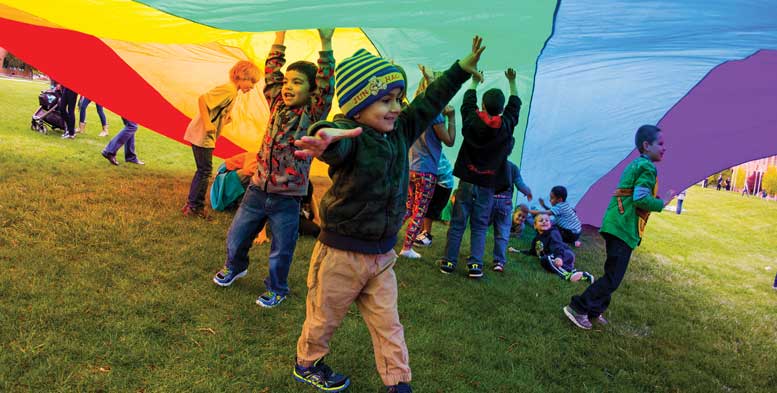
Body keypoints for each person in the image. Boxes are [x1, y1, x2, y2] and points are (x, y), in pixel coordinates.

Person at [289, 36, 485, 393]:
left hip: (381, 256)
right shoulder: (352, 138)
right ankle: (308, 362)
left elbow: (428, 103)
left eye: (397, 98)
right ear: (358, 108)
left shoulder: (401, 132)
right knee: (324, 317)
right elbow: (333, 139)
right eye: (385, 100)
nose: (395, 107)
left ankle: (398, 382)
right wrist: (323, 137)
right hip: (341, 255)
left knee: (389, 324)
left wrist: (459, 72)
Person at [212, 29, 336, 310]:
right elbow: (271, 71)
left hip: (287, 197)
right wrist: (280, 34)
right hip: (257, 189)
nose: (288, 86)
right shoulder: (277, 103)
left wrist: (326, 43)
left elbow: (327, 84)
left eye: (297, 82)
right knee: (237, 235)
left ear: (312, 90)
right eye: (287, 81)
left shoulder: (312, 114)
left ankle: (277, 287)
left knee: (281, 248)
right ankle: (235, 266)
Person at [563, 125, 675, 330]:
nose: (664, 148)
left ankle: (595, 310)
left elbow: (635, 194)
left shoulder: (636, 164)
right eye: (660, 144)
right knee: (613, 278)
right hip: (623, 228)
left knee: (611, 273)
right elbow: (640, 198)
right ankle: (578, 308)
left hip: (616, 225)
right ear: (646, 145)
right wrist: (662, 202)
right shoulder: (647, 168)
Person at [438, 66, 522, 279]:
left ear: (482, 105)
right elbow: (515, 106)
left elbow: (467, 102)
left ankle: (449, 261)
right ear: (502, 110)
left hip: (467, 181)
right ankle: (475, 265)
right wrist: (512, 82)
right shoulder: (506, 126)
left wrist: (475, 80)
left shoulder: (471, 120)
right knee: (480, 225)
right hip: (488, 185)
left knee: (458, 221)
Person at [182, 60, 261, 219]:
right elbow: (203, 100)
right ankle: (194, 207)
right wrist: (207, 123)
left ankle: (193, 206)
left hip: (205, 136)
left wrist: (224, 119)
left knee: (203, 170)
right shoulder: (229, 90)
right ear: (241, 76)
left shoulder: (233, 93)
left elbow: (216, 109)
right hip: (202, 135)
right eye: (251, 81)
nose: (252, 86)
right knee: (204, 171)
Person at [399, 65, 456, 259]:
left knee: (407, 208)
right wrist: (452, 117)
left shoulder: (414, 109)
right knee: (419, 210)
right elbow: (449, 140)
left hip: (411, 168)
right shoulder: (435, 114)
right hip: (427, 171)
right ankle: (406, 248)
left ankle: (385, 238)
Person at [521, 213, 593, 282]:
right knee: (544, 260)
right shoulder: (536, 239)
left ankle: (570, 274)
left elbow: (557, 245)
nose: (544, 222)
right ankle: (571, 269)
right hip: (556, 257)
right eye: (541, 220)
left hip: (564, 253)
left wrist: (559, 257)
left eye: (547, 220)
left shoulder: (553, 233)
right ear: (535, 225)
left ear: (550, 223)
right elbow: (533, 251)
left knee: (547, 258)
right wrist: (518, 251)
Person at [490, 160, 532, 272]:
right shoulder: (512, 167)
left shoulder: (490, 162)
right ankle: (499, 262)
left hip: (488, 200)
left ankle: (475, 258)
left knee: (479, 229)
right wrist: (527, 191)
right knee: (502, 233)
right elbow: (520, 184)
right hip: (504, 203)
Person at [414, 153, 454, 248]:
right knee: (426, 206)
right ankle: (422, 232)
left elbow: (433, 171)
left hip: (443, 184)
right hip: (440, 180)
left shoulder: (431, 152)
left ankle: (427, 235)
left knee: (430, 209)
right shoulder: (428, 151)